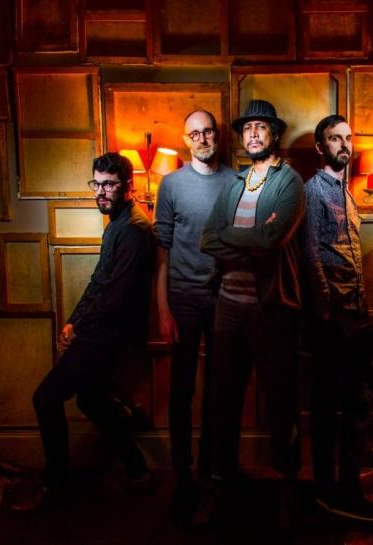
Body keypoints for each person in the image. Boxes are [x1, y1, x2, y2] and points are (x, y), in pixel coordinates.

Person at [22, 152, 155, 510]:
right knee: (91, 400)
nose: (101, 191)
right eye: (96, 184)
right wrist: (72, 320)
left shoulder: (134, 230)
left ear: (128, 187)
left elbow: (115, 295)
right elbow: (99, 281)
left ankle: (58, 487)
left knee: (46, 399)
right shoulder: (117, 224)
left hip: (109, 334)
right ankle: (138, 469)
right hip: (101, 329)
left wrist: (79, 328)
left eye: (109, 185)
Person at [195, 99, 305, 528]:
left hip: (270, 309)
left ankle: (289, 489)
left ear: (274, 134)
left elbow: (272, 240)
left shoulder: (289, 181)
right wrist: (251, 239)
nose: (253, 134)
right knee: (222, 401)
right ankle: (220, 485)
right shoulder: (235, 183)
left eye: (261, 126)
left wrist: (237, 236)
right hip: (227, 306)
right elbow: (207, 239)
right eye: (247, 128)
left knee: (281, 402)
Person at [301, 114, 373, 525]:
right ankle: (330, 491)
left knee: (358, 403)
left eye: (347, 137)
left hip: (357, 313)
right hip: (333, 317)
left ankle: (346, 488)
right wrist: (324, 308)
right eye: (334, 139)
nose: (344, 145)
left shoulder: (347, 192)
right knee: (329, 405)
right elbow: (310, 254)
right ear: (320, 147)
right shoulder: (313, 191)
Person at [155, 109, 235, 525]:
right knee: (181, 391)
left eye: (208, 132)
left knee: (219, 391)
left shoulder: (236, 180)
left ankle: (211, 471)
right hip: (183, 298)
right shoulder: (171, 185)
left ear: (217, 136)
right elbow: (163, 252)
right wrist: (163, 309)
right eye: (195, 134)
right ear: (186, 140)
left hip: (224, 298)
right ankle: (182, 475)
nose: (202, 139)